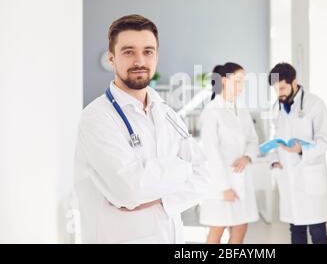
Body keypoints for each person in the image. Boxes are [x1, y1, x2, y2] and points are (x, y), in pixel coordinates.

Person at [74, 14, 209, 244]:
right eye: (128, 52)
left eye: (148, 51)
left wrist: (158, 198)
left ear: (156, 56)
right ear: (111, 58)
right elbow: (130, 190)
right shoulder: (97, 118)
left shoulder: (167, 113)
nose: (140, 61)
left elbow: (204, 174)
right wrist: (181, 168)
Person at [268, 63, 327, 244]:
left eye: (282, 87)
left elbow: (326, 140)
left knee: (318, 231)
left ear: (294, 82)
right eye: (275, 89)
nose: (278, 92)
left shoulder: (314, 104)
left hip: (309, 175)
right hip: (288, 176)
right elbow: (277, 137)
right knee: (295, 229)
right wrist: (274, 160)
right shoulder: (277, 107)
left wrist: (302, 149)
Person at [199, 63, 260, 244]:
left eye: (243, 82)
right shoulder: (211, 111)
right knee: (218, 228)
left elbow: (253, 140)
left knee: (241, 227)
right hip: (221, 183)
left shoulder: (241, 109)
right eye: (238, 81)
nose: (241, 87)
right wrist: (224, 187)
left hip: (241, 178)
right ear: (224, 81)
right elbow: (211, 152)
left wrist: (247, 156)